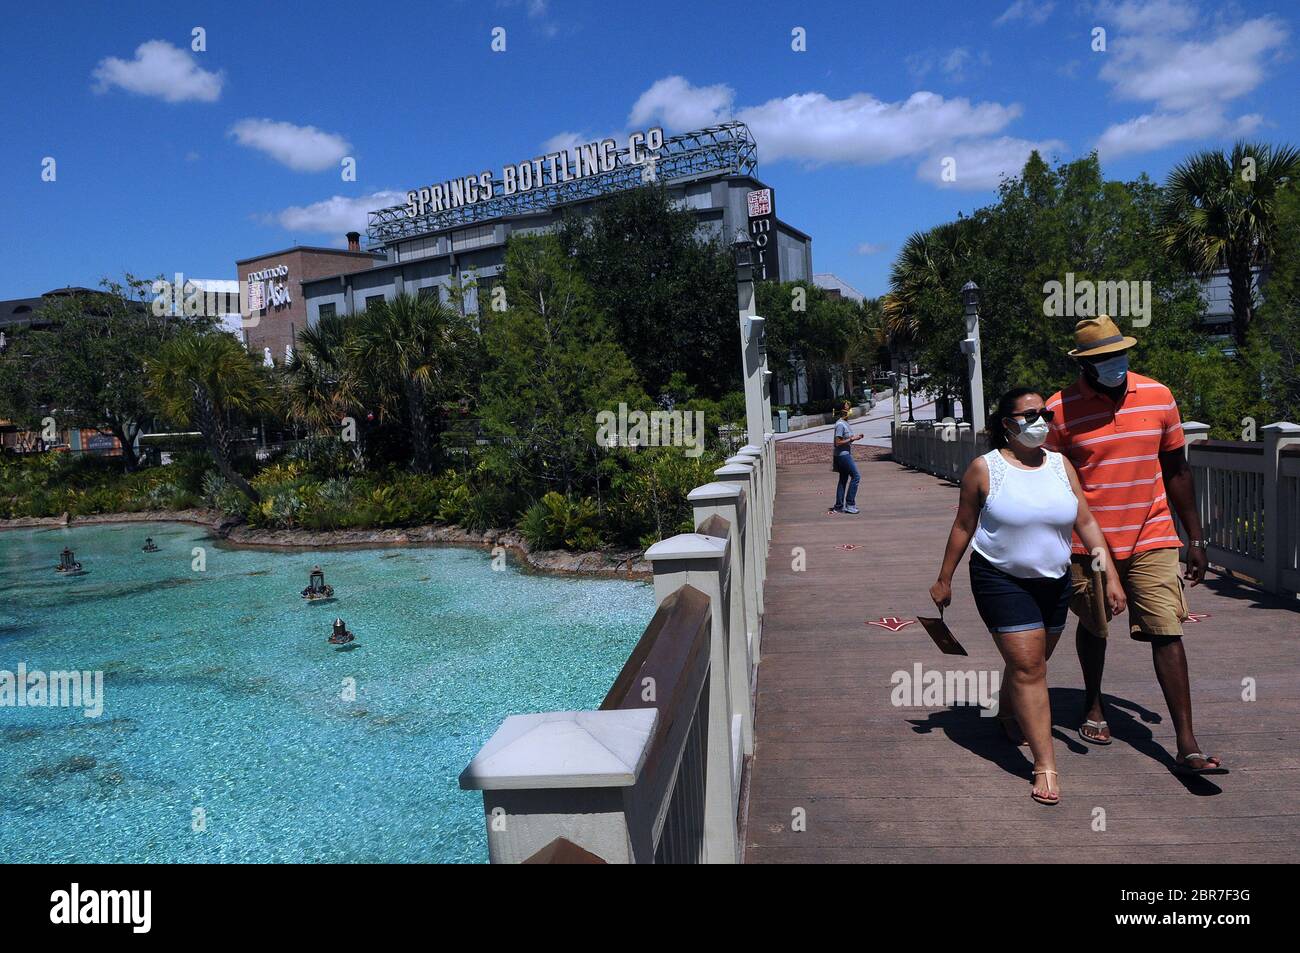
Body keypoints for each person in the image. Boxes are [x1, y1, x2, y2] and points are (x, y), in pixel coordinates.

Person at [1046, 317, 1226, 775]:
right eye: (1104, 358)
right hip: (1088, 541)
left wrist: (1196, 539)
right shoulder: (1058, 410)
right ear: (1085, 365)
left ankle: (1186, 743)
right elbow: (1048, 481)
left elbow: (1177, 470)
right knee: (1095, 625)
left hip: (1153, 533)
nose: (1115, 363)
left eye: (1119, 353)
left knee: (1167, 628)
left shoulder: (1158, 395)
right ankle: (1093, 703)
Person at [930, 387, 1126, 805]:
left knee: (1032, 661)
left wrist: (1110, 575)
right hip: (999, 578)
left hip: (1054, 580)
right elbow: (964, 526)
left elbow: (1087, 522)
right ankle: (1045, 765)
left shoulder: (1060, 465)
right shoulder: (985, 469)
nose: (1042, 422)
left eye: (1046, 415)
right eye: (1031, 415)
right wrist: (944, 579)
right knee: (1029, 666)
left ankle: (1007, 710)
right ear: (1008, 423)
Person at [831, 400, 863, 514]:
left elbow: (846, 440)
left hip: (844, 453)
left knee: (843, 479)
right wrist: (851, 439)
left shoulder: (845, 423)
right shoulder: (840, 424)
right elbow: (837, 442)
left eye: (849, 408)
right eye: (847, 409)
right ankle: (850, 504)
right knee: (856, 476)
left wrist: (855, 438)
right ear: (841, 411)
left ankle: (839, 506)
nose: (849, 411)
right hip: (842, 455)